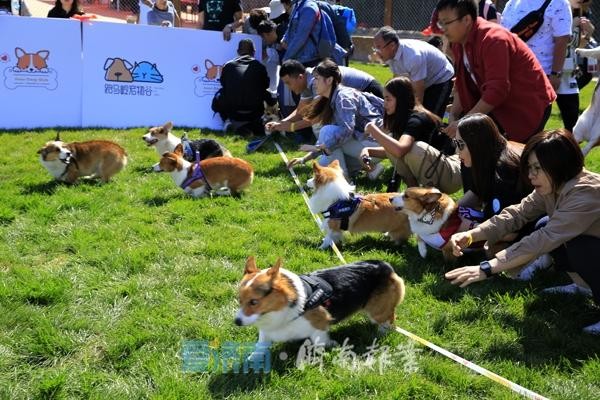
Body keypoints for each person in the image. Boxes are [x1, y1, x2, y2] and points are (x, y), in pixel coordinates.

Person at [445, 129, 600, 335]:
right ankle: (583, 287)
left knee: (577, 244)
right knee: (544, 224)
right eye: (529, 167)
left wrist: (488, 267)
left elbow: (544, 240)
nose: (530, 175)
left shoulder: (586, 192)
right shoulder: (554, 184)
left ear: (558, 165)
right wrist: (474, 234)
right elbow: (517, 213)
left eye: (537, 168)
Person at [435, 0, 556, 143]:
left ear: (467, 19)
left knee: (510, 160)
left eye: (447, 22)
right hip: (499, 105)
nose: (443, 29)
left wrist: (464, 122)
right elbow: (463, 82)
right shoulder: (458, 43)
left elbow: (497, 89)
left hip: (527, 105)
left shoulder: (493, 39)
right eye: (440, 23)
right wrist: (454, 116)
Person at [359, 76, 463, 194]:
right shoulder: (404, 117)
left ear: (401, 99)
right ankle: (414, 194)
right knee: (394, 145)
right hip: (437, 169)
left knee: (414, 149)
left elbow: (400, 150)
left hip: (452, 173)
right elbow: (394, 150)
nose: (384, 104)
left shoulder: (417, 118)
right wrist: (368, 150)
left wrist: (372, 129)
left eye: (388, 99)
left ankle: (429, 200)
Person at [287, 59, 384, 179]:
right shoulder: (330, 98)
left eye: (317, 78)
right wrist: (304, 159)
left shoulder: (343, 98)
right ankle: (371, 170)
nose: (314, 83)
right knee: (323, 163)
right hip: (362, 144)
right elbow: (331, 140)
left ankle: (344, 183)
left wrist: (318, 147)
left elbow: (346, 131)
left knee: (326, 131)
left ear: (329, 80)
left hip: (376, 146)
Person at [501, 0, 576, 132]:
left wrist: (556, 74)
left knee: (530, 131)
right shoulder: (512, 2)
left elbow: (562, 40)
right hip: (511, 76)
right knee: (509, 129)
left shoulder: (559, 3)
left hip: (540, 78)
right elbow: (503, 36)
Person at [266, 59, 383, 139]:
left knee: (321, 126)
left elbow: (318, 116)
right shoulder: (307, 80)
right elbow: (301, 111)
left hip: (370, 91)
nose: (287, 87)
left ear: (300, 77)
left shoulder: (314, 81)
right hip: (361, 98)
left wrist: (292, 127)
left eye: (288, 83)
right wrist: (280, 123)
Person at [373, 26, 454, 118]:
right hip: (424, 79)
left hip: (441, 77)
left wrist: (413, 116)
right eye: (375, 48)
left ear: (392, 45)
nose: (376, 52)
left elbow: (419, 91)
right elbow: (397, 82)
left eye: (379, 47)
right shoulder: (390, 55)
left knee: (430, 117)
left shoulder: (413, 57)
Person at [213, 39, 275, 136]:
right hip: (254, 111)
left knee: (219, 94)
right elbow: (266, 85)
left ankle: (227, 120)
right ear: (254, 52)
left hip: (232, 111)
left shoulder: (228, 65)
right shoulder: (260, 66)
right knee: (266, 93)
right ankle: (256, 124)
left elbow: (223, 84)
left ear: (238, 52)